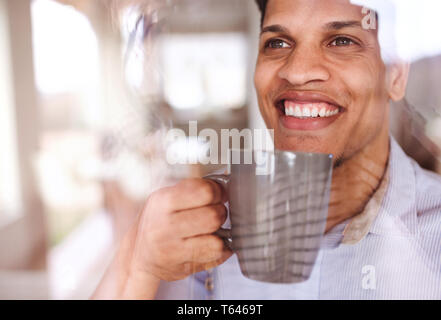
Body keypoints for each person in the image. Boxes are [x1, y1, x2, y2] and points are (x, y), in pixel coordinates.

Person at [93, 0, 441, 299]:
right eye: (277, 43)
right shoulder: (198, 235)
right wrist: (135, 263)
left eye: (340, 40)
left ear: (395, 76)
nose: (298, 71)